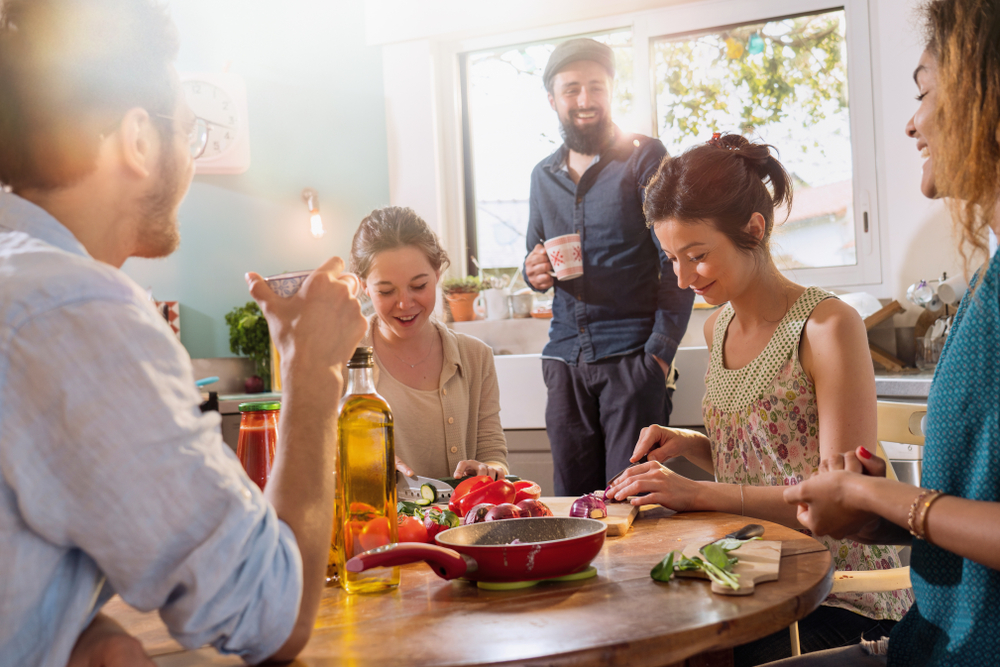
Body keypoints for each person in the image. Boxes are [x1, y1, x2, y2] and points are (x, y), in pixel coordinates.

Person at [0, 1, 367, 665]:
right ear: (138, 139)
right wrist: (314, 371)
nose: (191, 163)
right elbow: (271, 612)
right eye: (190, 133)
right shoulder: (75, 309)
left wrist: (79, 628)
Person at [605, 133, 912, 665]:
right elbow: (766, 458)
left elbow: (842, 500)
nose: (681, 279)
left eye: (697, 256)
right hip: (756, 573)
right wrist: (691, 444)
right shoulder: (715, 328)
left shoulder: (826, 326)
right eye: (671, 259)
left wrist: (697, 494)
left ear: (754, 228)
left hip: (843, 592)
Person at [769, 1, 1000, 665]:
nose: (911, 122)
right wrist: (872, 513)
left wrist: (876, 492)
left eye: (925, 92)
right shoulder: (988, 278)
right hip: (928, 639)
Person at [522, 37, 694, 497]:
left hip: (632, 363)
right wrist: (533, 270)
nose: (584, 100)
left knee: (634, 504)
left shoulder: (645, 156)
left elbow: (675, 259)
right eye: (572, 89)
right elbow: (534, 258)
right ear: (553, 99)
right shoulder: (543, 175)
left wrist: (657, 356)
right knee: (573, 509)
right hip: (565, 363)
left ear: (612, 90)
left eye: (595, 87)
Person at [350, 206, 508, 480]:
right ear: (364, 286)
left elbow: (493, 451)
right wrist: (366, 464)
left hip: (465, 523)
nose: (404, 303)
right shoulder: (343, 360)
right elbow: (320, 457)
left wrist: (491, 470)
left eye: (419, 286)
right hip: (382, 522)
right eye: (386, 291)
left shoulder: (475, 356)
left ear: (436, 274)